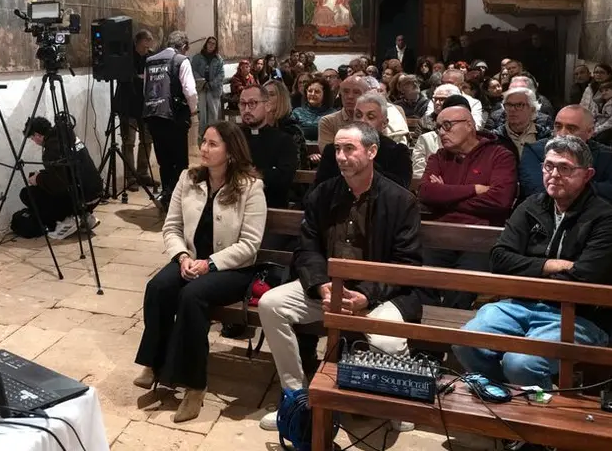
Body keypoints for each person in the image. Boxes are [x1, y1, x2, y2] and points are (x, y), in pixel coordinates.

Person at [258, 122, 423, 432]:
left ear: (372, 151)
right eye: (337, 149)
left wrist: (365, 295)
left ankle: (394, 404)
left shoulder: (400, 200)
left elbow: (406, 263)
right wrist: (321, 286)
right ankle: (295, 396)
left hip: (380, 293)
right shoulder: (322, 193)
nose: (342, 156)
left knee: (387, 341)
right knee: (270, 304)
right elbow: (306, 249)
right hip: (329, 288)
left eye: (350, 148)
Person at [454, 136, 612, 390]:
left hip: (578, 315)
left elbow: (584, 278)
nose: (554, 174)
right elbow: (499, 258)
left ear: (587, 174)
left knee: (521, 363)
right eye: (548, 166)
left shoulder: (608, 220)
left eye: (565, 168)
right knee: (465, 342)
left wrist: (528, 270)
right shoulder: (531, 206)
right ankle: (505, 397)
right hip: (520, 304)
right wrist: (552, 265)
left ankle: (537, 412)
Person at [134, 122, 267, 423]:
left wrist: (211, 263)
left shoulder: (250, 187)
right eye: (203, 142)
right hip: (190, 260)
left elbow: (250, 245)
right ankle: (156, 364)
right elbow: (172, 227)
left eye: (212, 144)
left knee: (192, 297)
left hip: (232, 268)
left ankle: (195, 385)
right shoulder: (188, 178)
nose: (204, 149)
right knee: (159, 287)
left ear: (231, 152)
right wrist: (181, 256)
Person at [419, 99, 518, 309]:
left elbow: (500, 201)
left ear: (470, 125)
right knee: (420, 278)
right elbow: (426, 193)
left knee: (461, 288)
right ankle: (425, 334)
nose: (441, 132)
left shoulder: (500, 155)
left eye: (447, 125)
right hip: (440, 235)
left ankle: (450, 337)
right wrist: (474, 189)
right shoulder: (438, 157)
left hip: (481, 238)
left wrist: (445, 197)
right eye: (437, 127)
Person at [519, 104, 612, 208]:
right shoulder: (535, 150)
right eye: (558, 126)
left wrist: (568, 187)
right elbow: (538, 192)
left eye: (571, 128)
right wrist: (589, 188)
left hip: (591, 219)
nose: (562, 133)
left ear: (589, 132)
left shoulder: (606, 155)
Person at [22, 116, 104, 239]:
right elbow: (67, 170)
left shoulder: (52, 148)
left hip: (81, 198)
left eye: (33, 138)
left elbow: (59, 185)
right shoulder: (66, 135)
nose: (34, 142)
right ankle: (84, 216)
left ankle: (69, 219)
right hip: (95, 194)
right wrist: (42, 174)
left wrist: (37, 179)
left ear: (38, 135)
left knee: (27, 194)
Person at [143, 32, 199, 212]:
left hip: (153, 115)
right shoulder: (181, 60)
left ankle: (167, 195)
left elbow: (146, 88)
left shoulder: (150, 60)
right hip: (174, 116)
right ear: (183, 46)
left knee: (164, 160)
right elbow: (190, 90)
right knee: (180, 160)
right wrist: (193, 111)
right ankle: (179, 199)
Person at [313, 93, 411, 189]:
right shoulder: (332, 150)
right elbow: (317, 192)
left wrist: (365, 166)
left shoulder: (398, 152)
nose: (363, 121)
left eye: (370, 117)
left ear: (384, 123)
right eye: (358, 115)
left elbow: (401, 190)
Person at [238, 86, 298, 210]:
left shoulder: (284, 140)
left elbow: (283, 178)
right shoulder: (233, 137)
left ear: (267, 106)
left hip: (270, 207)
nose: (247, 109)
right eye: (243, 104)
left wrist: (248, 174)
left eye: (253, 103)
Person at [118, 30, 157, 190]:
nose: (147, 49)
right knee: (129, 142)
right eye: (144, 45)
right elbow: (125, 77)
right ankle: (130, 177)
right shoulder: (126, 57)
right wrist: (139, 78)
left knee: (147, 140)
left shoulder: (151, 57)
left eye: (149, 45)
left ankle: (143, 173)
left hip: (146, 105)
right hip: (128, 105)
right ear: (137, 42)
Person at [411, 84, 461, 179]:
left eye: (442, 99)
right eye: (435, 99)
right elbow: (416, 150)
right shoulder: (424, 121)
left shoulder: (463, 123)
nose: (437, 102)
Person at [492, 87, 551, 164]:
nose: (512, 109)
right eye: (509, 105)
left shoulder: (545, 137)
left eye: (519, 105)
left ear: (532, 109)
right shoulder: (494, 138)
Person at [263, 79, 306, 167]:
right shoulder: (257, 127)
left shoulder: (291, 129)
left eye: (271, 94)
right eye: (263, 95)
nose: (266, 98)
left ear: (281, 99)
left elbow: (294, 165)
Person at [190, 37, 226, 137]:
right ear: (206, 44)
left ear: (216, 46)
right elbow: (193, 71)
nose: (211, 45)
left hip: (213, 89)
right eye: (209, 43)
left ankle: (212, 134)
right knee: (202, 113)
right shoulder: (197, 57)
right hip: (201, 88)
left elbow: (221, 75)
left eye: (213, 43)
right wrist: (203, 82)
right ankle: (202, 134)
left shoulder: (218, 59)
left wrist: (211, 84)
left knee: (213, 113)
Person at [290, 79, 330, 148]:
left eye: (317, 92)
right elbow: (292, 137)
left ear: (324, 94)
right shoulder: (297, 113)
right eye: (310, 91)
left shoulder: (332, 114)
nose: (312, 94)